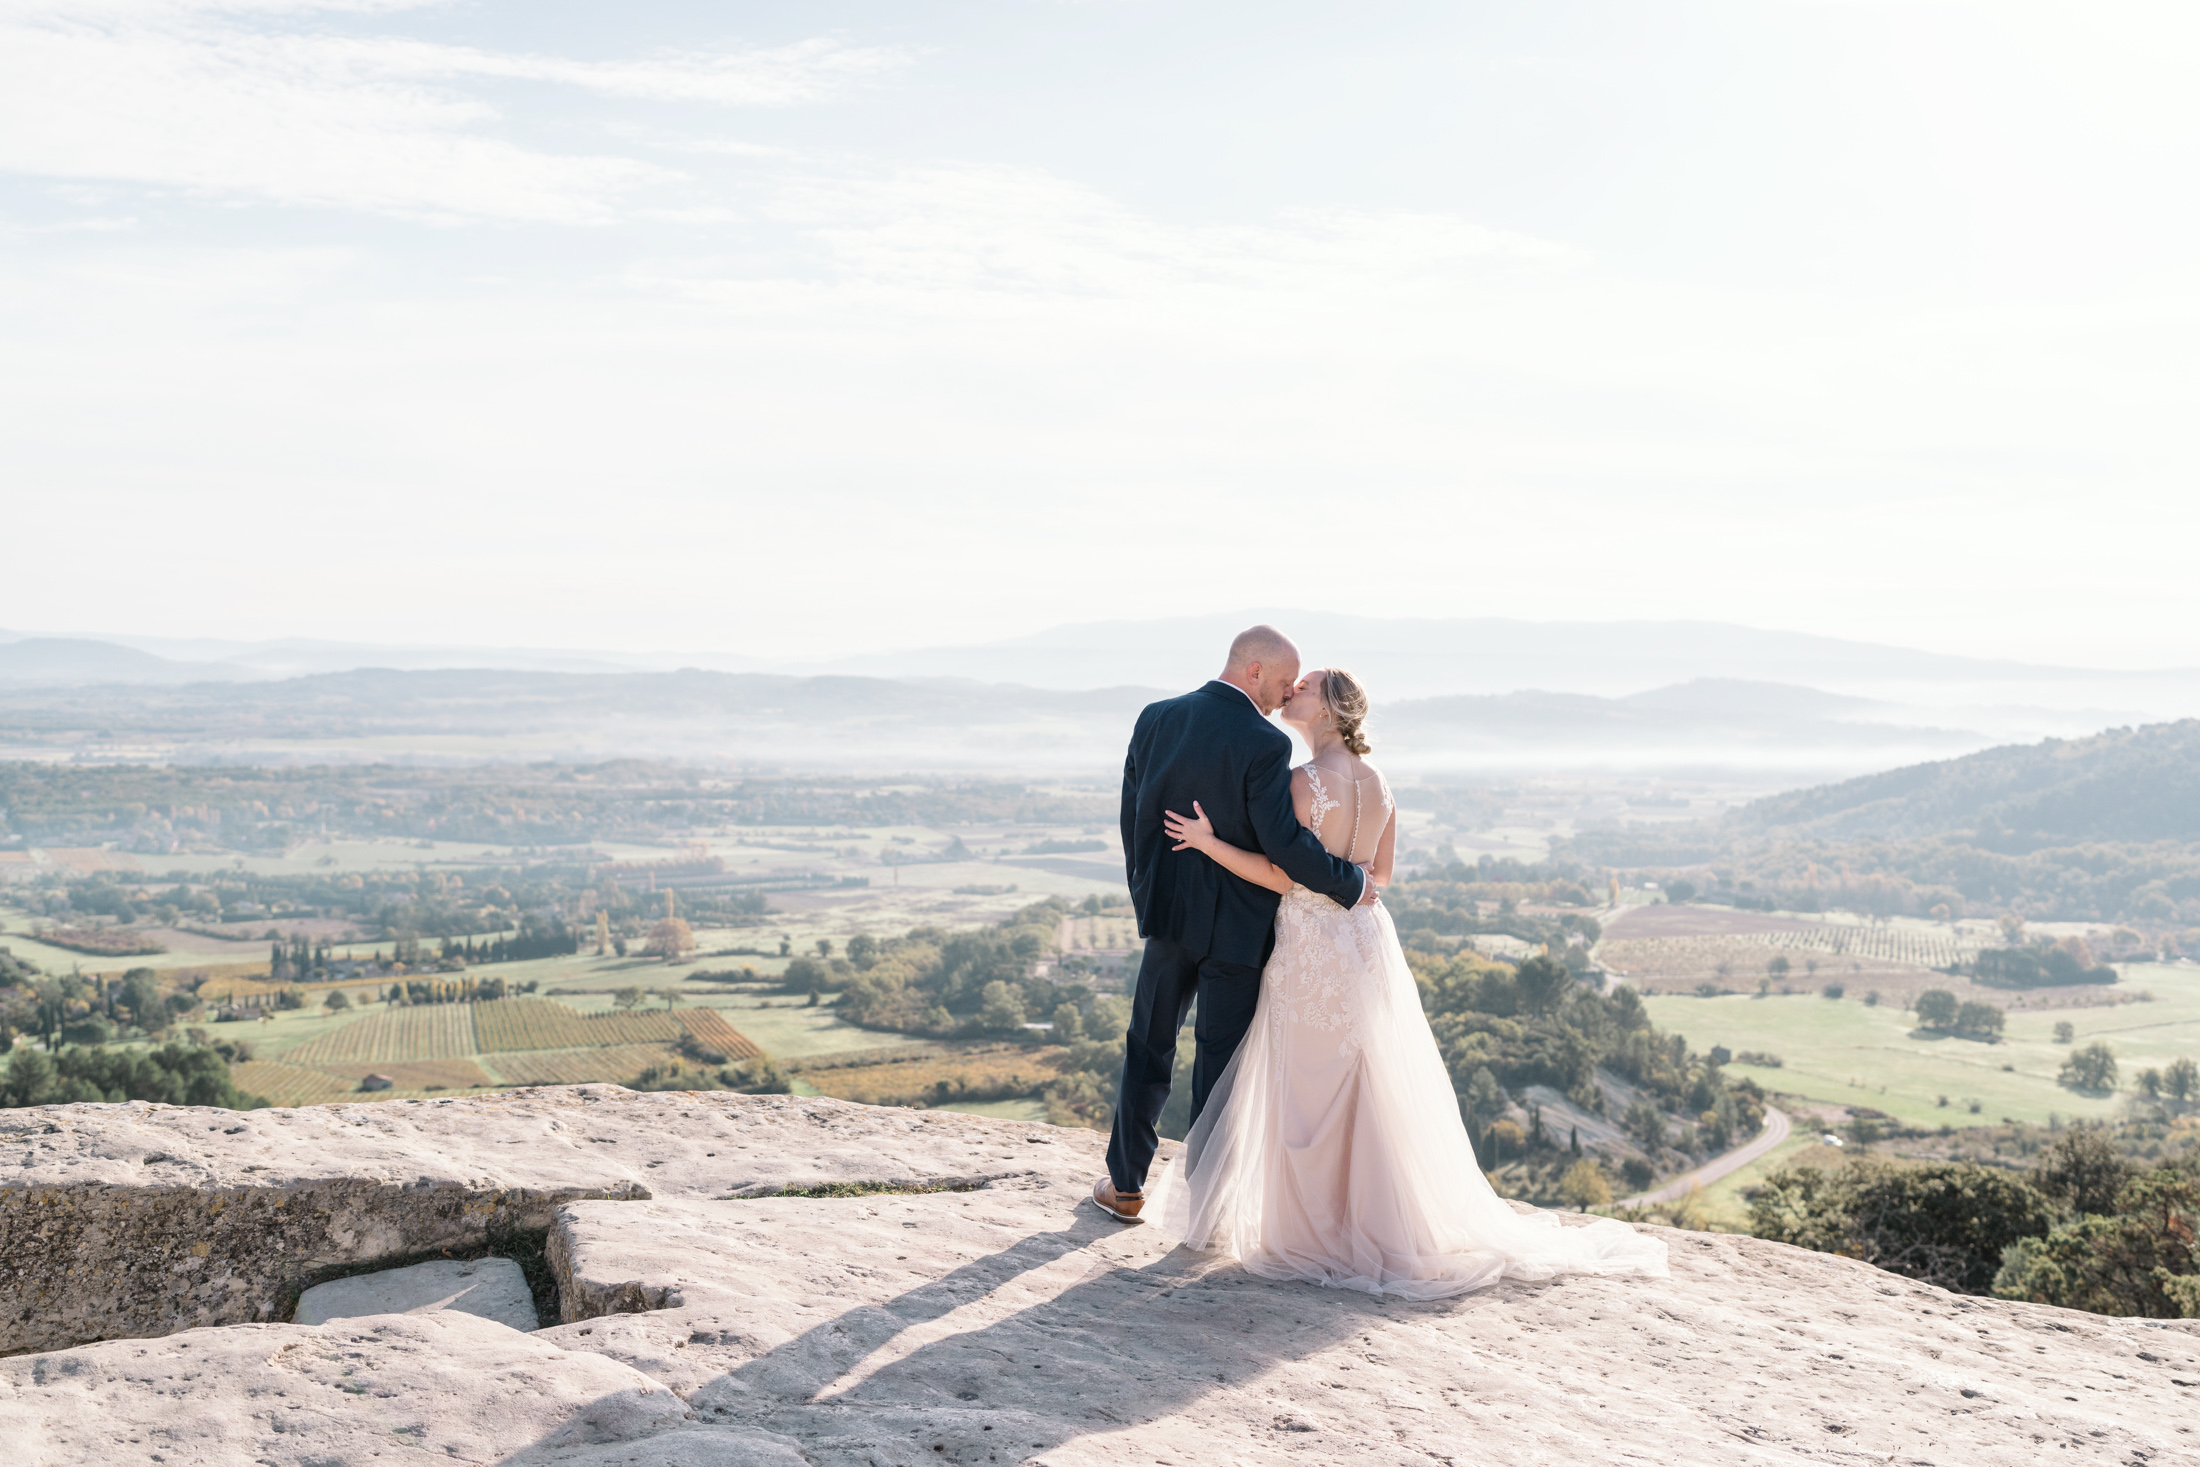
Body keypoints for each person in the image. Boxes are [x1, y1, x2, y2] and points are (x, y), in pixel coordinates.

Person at [1148, 662, 1669, 1297]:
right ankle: (1378, 1221)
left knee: (1309, 1091)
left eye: (1304, 688)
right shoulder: (1382, 785)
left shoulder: (1302, 783)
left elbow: (1287, 877)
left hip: (1312, 946)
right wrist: (1348, 887)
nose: (1292, 692)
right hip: (1365, 942)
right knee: (1368, 1083)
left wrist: (1207, 843)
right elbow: (1380, 879)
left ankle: (1314, 1233)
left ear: (1329, 709)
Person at [1095, 625, 1376, 1224]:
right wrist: (1351, 883)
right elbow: (1285, 846)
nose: (1282, 696)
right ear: (1253, 672)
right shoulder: (1265, 744)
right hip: (1242, 930)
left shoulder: (1155, 717)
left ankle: (1124, 1185)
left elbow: (1132, 817)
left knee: (1148, 1046)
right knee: (1218, 1069)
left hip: (1168, 920)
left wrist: (1147, 895)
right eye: (1279, 683)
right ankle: (1207, 1210)